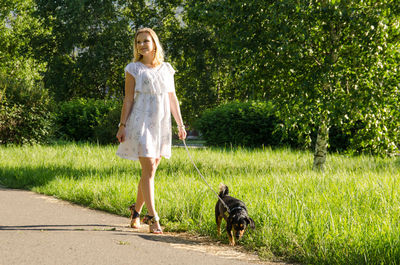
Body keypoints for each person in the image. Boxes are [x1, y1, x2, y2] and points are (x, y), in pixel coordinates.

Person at [116, 28, 186, 234]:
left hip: (161, 123)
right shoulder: (133, 68)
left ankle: (136, 212)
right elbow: (128, 99)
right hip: (141, 123)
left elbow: (172, 98)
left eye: (145, 41)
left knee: (151, 171)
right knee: (148, 170)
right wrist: (122, 125)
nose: (141, 45)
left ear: (154, 43)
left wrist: (180, 125)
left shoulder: (167, 69)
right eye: (138, 42)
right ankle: (153, 218)